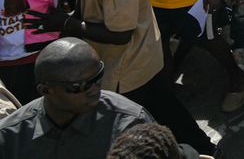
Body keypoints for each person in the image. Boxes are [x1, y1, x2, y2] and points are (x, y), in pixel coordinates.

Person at [26, 0, 216, 153]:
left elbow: (120, 35)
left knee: (144, 126)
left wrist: (65, 23)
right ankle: (206, 150)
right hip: (137, 60)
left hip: (128, 68)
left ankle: (205, 151)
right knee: (168, 112)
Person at [0, 38, 154, 159]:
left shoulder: (130, 124)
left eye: (98, 77)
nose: (95, 89)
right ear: (46, 89)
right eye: (80, 86)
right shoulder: (11, 138)